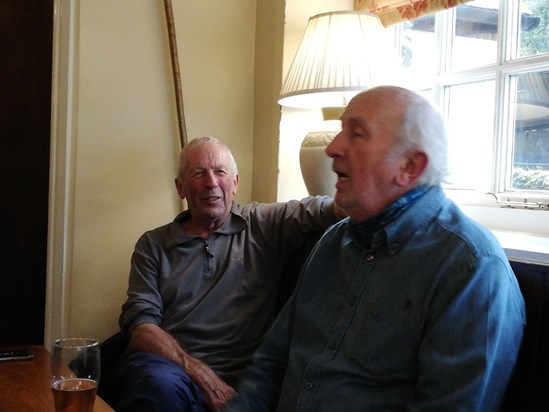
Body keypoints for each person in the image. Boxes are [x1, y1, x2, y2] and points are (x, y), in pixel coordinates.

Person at [225, 86, 526, 411]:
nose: (333, 148)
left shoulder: (471, 267)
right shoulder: (333, 241)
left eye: (356, 133)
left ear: (409, 166)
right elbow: (271, 364)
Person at [100, 136, 342, 412]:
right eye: (199, 173)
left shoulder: (265, 224)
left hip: (243, 376)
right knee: (158, 389)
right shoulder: (153, 245)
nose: (211, 183)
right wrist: (201, 376)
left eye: (220, 171)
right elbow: (141, 329)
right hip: (169, 370)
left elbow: (327, 207)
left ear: (235, 183)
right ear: (181, 188)